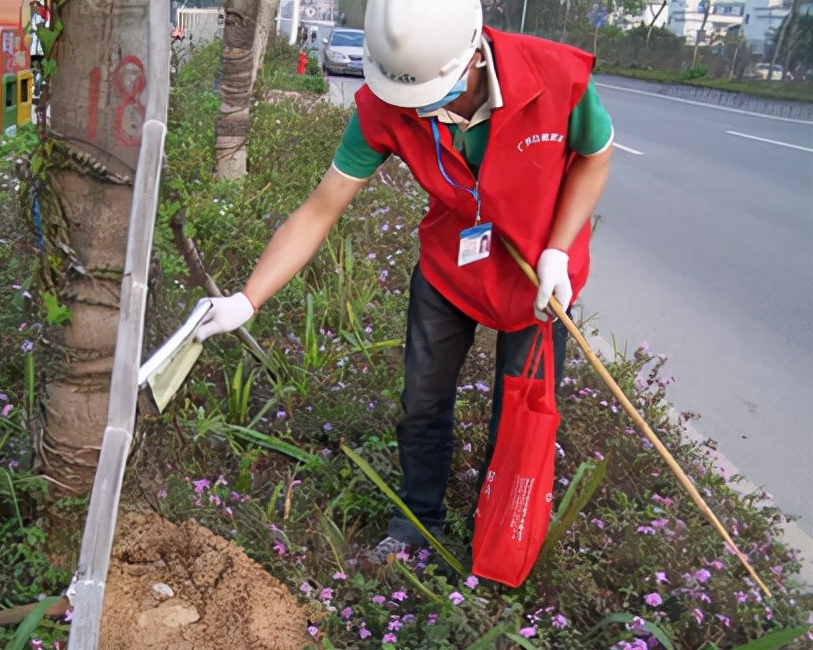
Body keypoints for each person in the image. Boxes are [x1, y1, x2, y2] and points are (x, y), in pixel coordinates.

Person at [194, 0, 613, 563]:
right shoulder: (386, 104)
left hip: (539, 278)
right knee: (422, 401)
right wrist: (248, 300)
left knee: (519, 413)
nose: (418, 110)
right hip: (451, 268)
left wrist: (559, 250)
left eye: (430, 94)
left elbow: (595, 156)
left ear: (472, 58)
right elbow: (321, 208)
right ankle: (418, 522)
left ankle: (496, 537)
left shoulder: (554, 75)